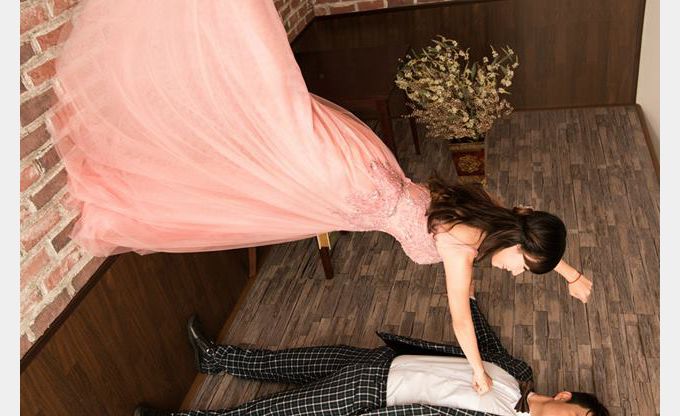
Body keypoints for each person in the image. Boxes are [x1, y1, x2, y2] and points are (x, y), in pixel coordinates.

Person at [50, 0, 592, 394]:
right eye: (523, 268)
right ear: (516, 243)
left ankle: (175, 95)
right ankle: (174, 83)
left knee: (268, 120)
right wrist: (476, 372)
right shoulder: (461, 247)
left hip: (368, 164)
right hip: (344, 186)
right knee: (253, 145)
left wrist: (570, 274)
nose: (517, 274)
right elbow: (459, 318)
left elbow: (530, 225)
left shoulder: (489, 206)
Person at [134, 289, 608, 416]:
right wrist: (469, 299)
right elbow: (485, 346)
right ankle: (217, 359)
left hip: (371, 397)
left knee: (273, 411)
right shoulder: (517, 373)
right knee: (286, 361)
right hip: (381, 361)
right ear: (566, 396)